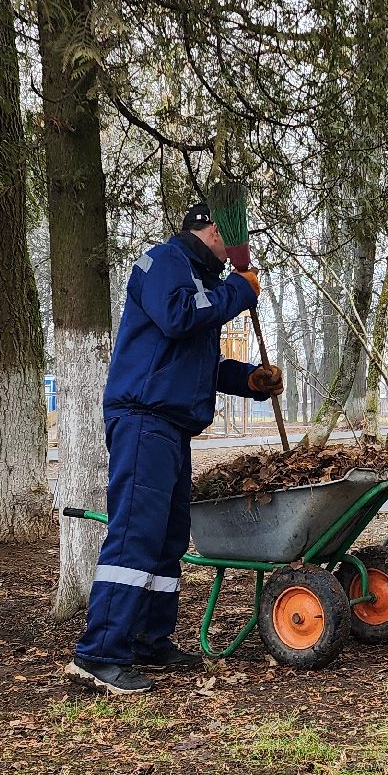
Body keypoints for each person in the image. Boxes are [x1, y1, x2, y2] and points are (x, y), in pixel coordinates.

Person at [67, 201, 284, 695]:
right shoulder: (164, 263)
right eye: (227, 237)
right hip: (144, 420)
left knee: (167, 539)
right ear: (205, 229)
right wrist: (237, 291)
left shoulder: (204, 284)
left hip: (172, 428)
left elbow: (198, 363)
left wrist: (250, 379)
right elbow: (178, 318)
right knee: (135, 536)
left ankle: (148, 639)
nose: (232, 251)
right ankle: (99, 653)